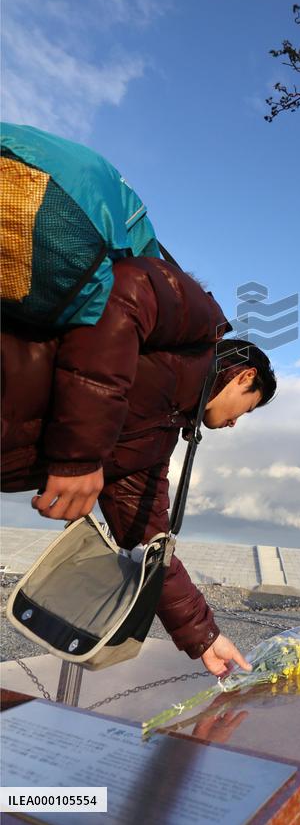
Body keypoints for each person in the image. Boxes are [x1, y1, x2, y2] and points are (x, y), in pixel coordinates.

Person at [1, 255, 277, 677]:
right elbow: (126, 289)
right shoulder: (198, 326)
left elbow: (149, 542)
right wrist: (80, 456)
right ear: (244, 377)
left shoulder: (153, 445)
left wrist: (204, 637)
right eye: (249, 409)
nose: (237, 421)